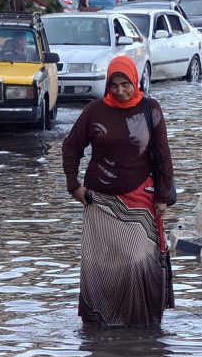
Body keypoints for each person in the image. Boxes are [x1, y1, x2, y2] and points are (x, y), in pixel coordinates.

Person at [61, 55, 175, 328]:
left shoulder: (151, 109)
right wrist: (74, 186)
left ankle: (140, 322)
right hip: (99, 202)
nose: (121, 91)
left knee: (138, 260)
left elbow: (163, 155)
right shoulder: (95, 111)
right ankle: (104, 324)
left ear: (135, 81)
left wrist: (162, 195)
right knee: (104, 265)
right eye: (114, 85)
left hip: (140, 198)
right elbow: (70, 147)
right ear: (107, 86)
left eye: (126, 84)